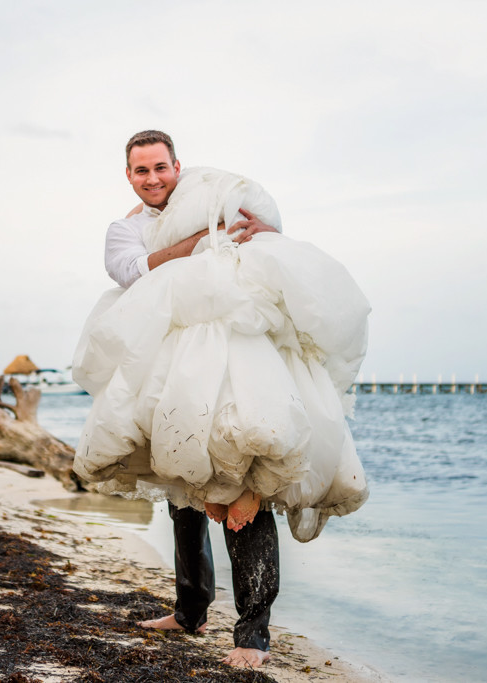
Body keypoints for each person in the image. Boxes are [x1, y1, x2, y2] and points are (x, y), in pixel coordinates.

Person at [73, 130, 371, 668]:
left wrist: (264, 232)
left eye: (160, 167)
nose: (153, 178)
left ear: (177, 166)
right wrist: (195, 245)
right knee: (180, 484)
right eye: (141, 171)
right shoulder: (127, 229)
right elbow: (129, 272)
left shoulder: (209, 202)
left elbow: (263, 253)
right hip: (167, 367)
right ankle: (191, 611)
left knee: (240, 478)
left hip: (234, 360)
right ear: (129, 176)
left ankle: (253, 636)